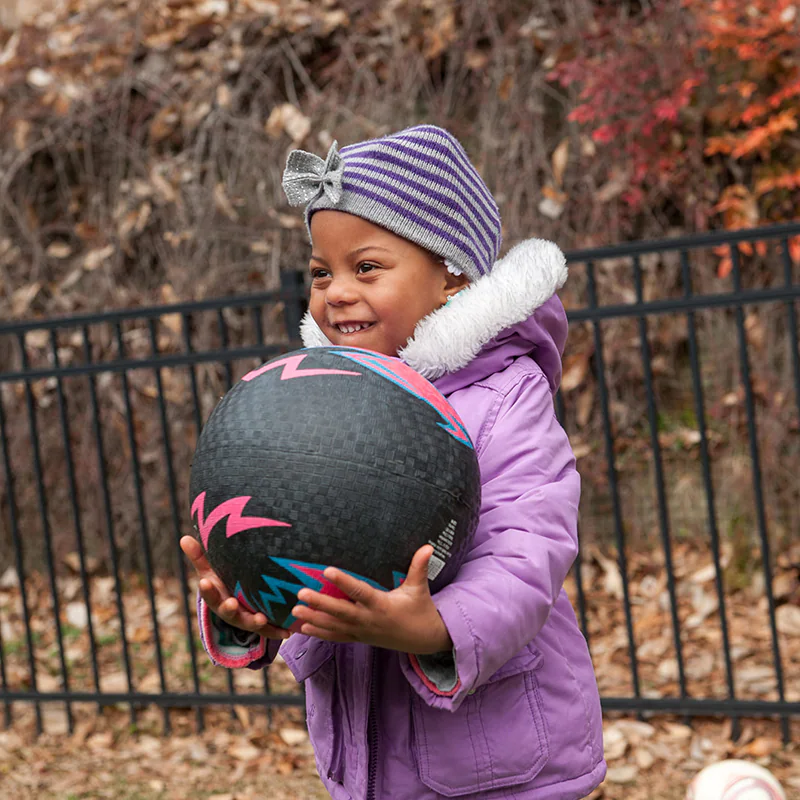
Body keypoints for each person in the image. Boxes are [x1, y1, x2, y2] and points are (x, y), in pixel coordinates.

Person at [180, 124, 606, 799]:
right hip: (369, 770)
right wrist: (247, 606)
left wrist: (434, 628)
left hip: (499, 769)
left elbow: (528, 554)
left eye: (366, 267)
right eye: (322, 272)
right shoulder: (316, 403)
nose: (335, 291)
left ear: (452, 278)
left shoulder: (503, 396)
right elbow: (303, 552)